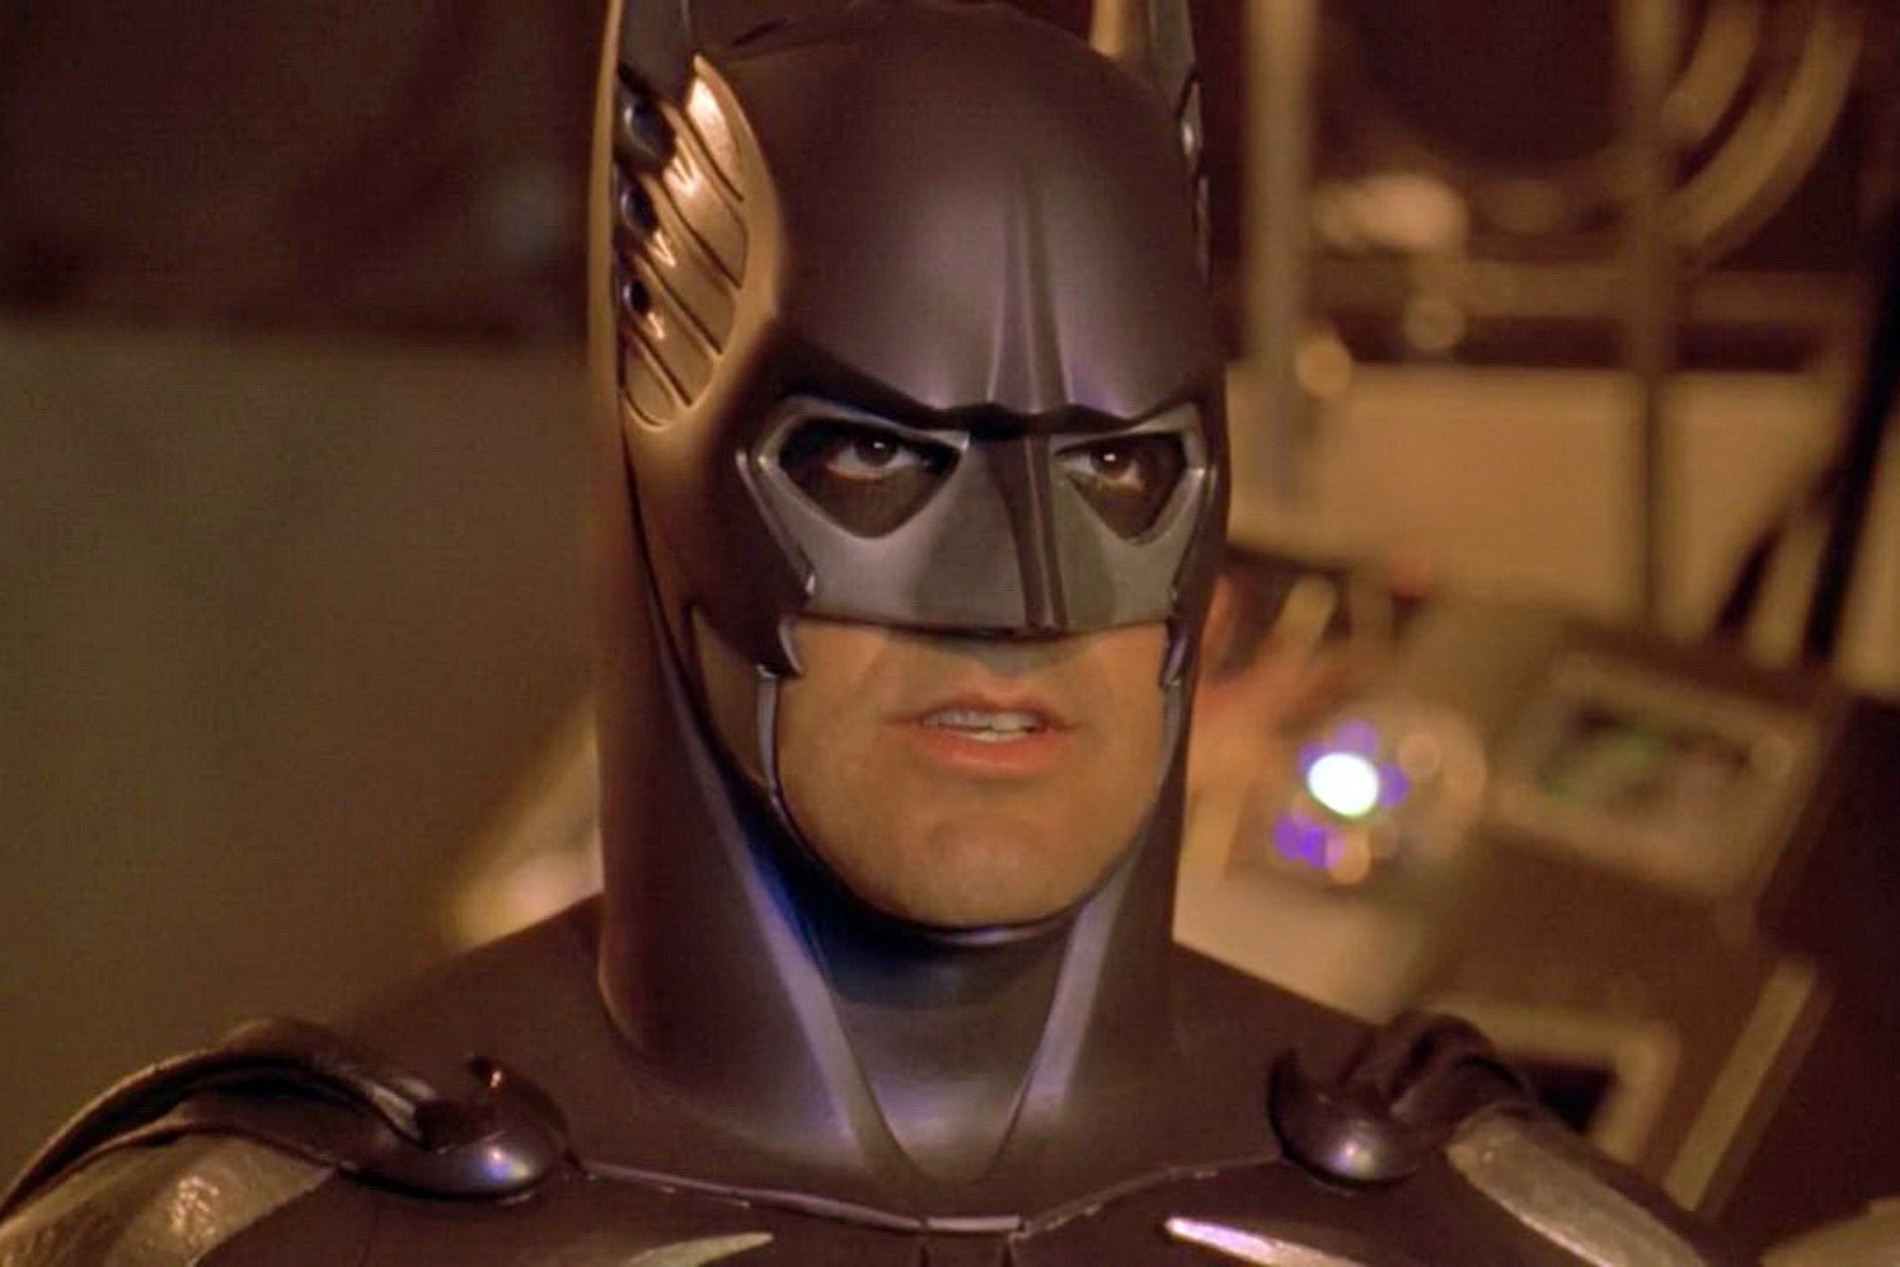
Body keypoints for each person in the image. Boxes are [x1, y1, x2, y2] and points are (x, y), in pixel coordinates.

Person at [0, 0, 1754, 1261]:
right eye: (875, 459)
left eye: (1120, 469)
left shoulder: (1490, 1223)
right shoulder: (261, 1231)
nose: (1028, 599)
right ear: (662, 468)